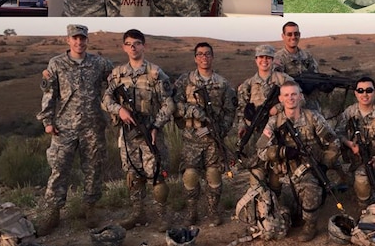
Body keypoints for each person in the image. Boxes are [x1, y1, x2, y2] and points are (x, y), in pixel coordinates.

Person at [35, 24, 113, 235]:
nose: (79, 42)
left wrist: (112, 110)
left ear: (87, 40)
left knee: (94, 168)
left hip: (93, 126)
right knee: (59, 168)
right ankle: (53, 212)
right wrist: (47, 121)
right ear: (68, 40)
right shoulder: (57, 64)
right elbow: (49, 94)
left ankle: (90, 209)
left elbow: (115, 83)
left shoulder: (99, 63)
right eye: (75, 38)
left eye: (83, 38)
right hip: (65, 127)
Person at [102, 29, 176, 231]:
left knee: (157, 175)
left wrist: (156, 126)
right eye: (128, 44)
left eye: (136, 43)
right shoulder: (117, 74)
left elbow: (168, 104)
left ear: (144, 46)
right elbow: (106, 100)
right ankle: (138, 213)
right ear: (123, 47)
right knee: (133, 175)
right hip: (128, 134)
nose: (133, 47)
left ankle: (162, 216)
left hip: (150, 132)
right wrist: (120, 110)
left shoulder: (155, 73)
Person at [256, 81, 340, 242]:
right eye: (286, 95)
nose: (290, 98)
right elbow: (260, 150)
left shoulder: (313, 117)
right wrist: (282, 151)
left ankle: (310, 225)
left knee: (311, 192)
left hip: (309, 169)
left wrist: (324, 165)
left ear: (301, 96)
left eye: (294, 94)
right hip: (283, 171)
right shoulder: (274, 122)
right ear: (280, 99)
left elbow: (334, 143)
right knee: (287, 218)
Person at [173, 42, 237, 225]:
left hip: (213, 140)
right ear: (195, 58)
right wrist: (191, 111)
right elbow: (174, 105)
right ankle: (192, 212)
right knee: (190, 175)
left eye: (207, 54)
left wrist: (219, 130)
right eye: (200, 54)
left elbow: (229, 111)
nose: (204, 57)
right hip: (191, 139)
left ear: (212, 57)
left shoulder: (222, 83)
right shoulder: (185, 80)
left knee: (214, 174)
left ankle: (212, 211)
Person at [336, 76, 375, 209]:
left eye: (368, 90)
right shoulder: (349, 112)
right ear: (355, 93)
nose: (364, 94)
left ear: (374, 92)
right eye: (360, 90)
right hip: (357, 159)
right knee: (361, 180)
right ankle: (363, 205)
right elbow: (338, 133)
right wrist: (349, 144)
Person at [235, 44, 294, 186]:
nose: (265, 61)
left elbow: (300, 99)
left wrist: (278, 107)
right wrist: (242, 127)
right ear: (256, 60)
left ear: (273, 60)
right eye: (261, 57)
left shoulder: (283, 79)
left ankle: (277, 202)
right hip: (258, 133)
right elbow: (241, 110)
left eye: (268, 57)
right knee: (258, 171)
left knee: (277, 172)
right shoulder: (247, 85)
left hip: (280, 132)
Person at [273, 22, 319, 111]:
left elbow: (316, 77)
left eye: (296, 34)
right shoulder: (278, 59)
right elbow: (277, 85)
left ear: (300, 35)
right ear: (283, 36)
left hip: (310, 108)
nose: (293, 37)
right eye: (289, 34)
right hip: (288, 108)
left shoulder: (307, 56)